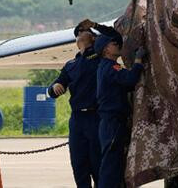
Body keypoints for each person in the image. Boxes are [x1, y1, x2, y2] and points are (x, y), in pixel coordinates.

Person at [47, 19, 104, 188]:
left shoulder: (100, 60)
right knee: (79, 165)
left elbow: (112, 38)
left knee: (98, 166)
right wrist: (54, 87)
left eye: (85, 31)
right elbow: (53, 90)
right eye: (78, 33)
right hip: (78, 119)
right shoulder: (70, 65)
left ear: (93, 38)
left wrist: (94, 27)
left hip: (96, 117)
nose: (81, 34)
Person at [95, 26, 145, 188]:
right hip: (113, 121)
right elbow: (130, 80)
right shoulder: (111, 67)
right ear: (105, 50)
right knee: (111, 165)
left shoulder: (106, 67)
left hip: (111, 121)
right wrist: (138, 61)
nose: (117, 45)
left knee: (114, 163)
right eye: (112, 44)